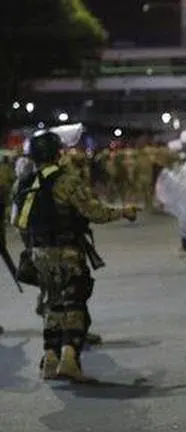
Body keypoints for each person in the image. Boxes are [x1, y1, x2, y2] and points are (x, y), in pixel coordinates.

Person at [11, 130, 138, 382]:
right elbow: (95, 212)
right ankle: (70, 357)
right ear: (57, 153)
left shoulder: (22, 183)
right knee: (75, 301)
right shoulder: (67, 181)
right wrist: (124, 212)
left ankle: (50, 357)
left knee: (52, 303)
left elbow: (16, 220)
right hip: (66, 251)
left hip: (38, 254)